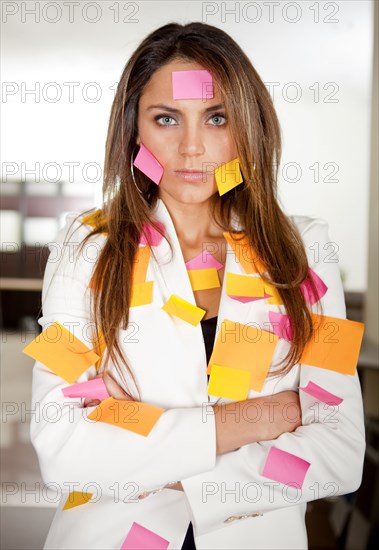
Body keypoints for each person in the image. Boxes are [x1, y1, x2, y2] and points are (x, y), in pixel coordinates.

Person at [29, 22, 366, 550]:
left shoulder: (304, 250)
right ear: (135, 130)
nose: (191, 148)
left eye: (216, 118)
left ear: (246, 126)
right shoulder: (86, 246)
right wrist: (256, 420)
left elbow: (341, 453)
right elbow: (61, 450)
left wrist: (152, 454)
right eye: (167, 118)